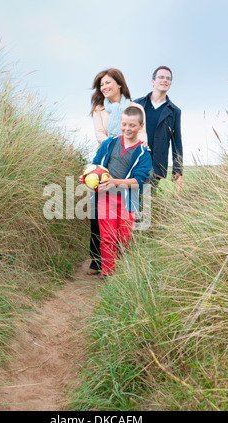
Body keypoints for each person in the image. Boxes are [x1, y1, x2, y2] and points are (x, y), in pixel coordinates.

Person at [88, 68, 148, 275]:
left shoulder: (134, 107)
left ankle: (124, 260)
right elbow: (99, 134)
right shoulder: (99, 109)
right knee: (99, 216)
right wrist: (116, 145)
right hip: (106, 159)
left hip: (130, 159)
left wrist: (133, 148)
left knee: (126, 218)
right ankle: (99, 262)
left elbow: (144, 133)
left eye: (107, 83)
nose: (104, 87)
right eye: (101, 85)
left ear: (119, 84)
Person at [134, 66, 183, 190]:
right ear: (153, 82)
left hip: (156, 163)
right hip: (135, 158)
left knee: (148, 201)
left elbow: (176, 140)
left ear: (170, 83)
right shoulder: (137, 104)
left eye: (168, 78)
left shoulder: (174, 111)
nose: (165, 80)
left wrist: (178, 166)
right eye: (161, 77)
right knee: (130, 198)